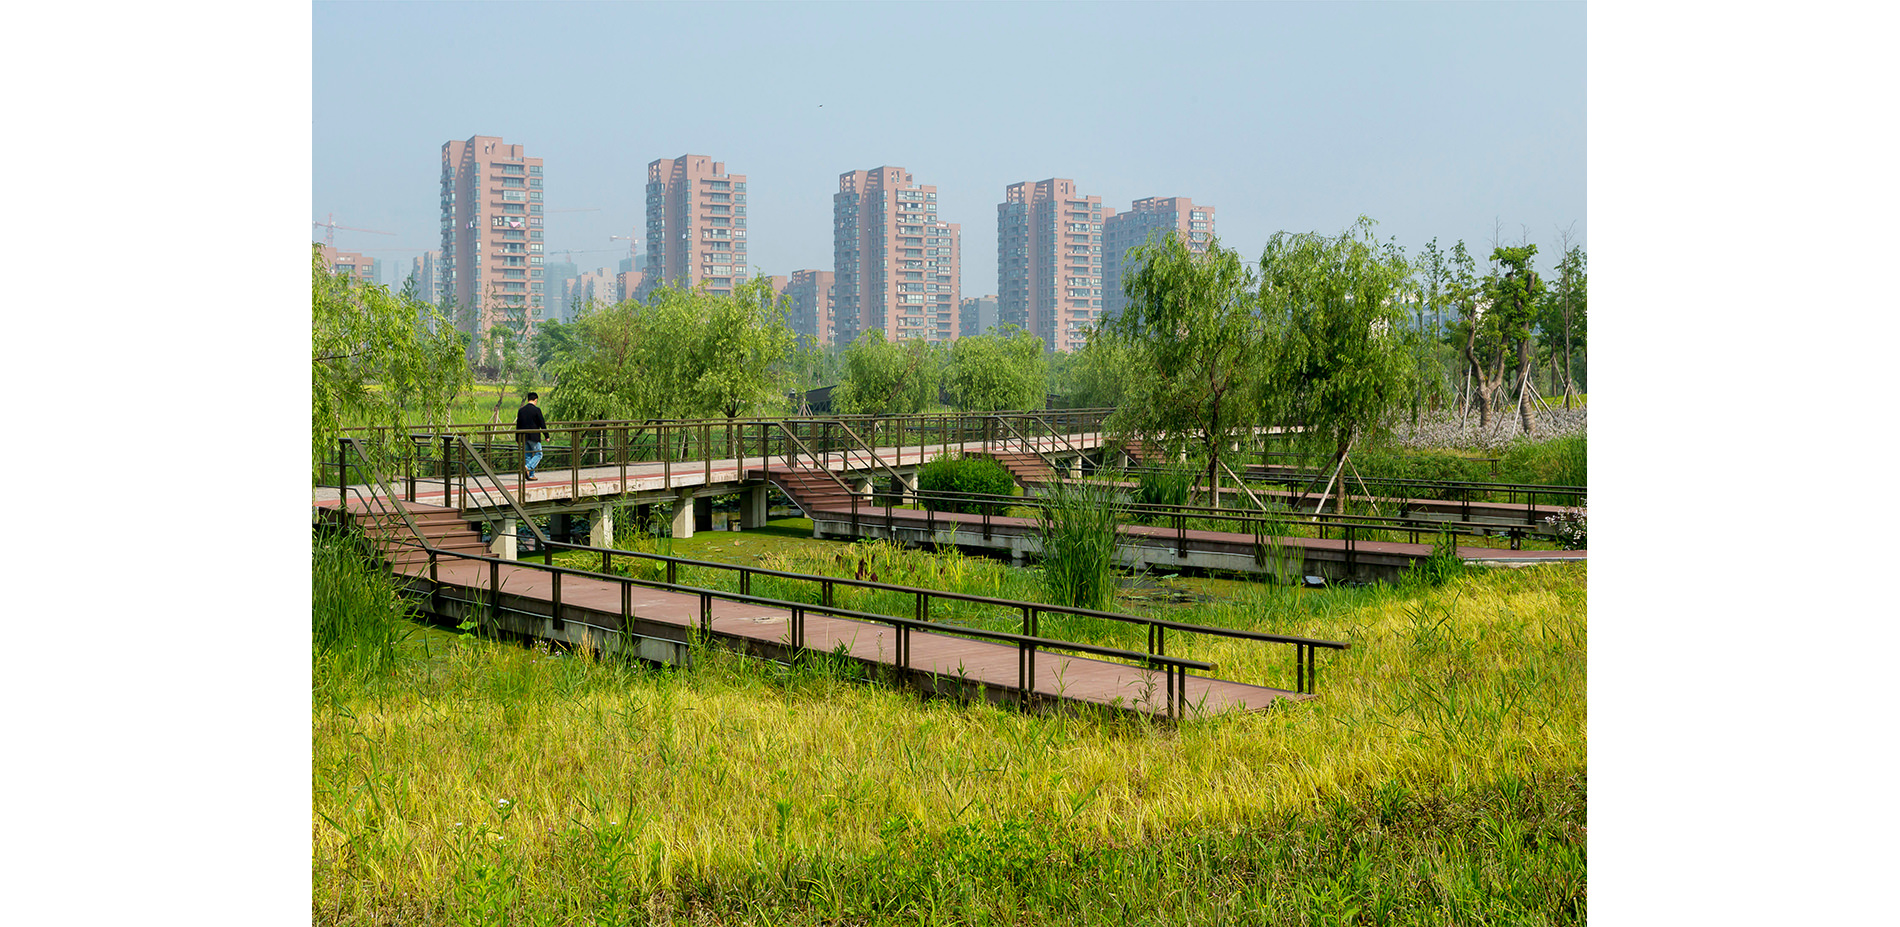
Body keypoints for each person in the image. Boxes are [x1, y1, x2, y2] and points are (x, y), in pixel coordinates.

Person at [515, 392, 547, 480]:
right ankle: (528, 467)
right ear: (535, 400)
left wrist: (517, 437)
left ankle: (530, 475)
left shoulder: (521, 410)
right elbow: (542, 423)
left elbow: (518, 425)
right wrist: (546, 436)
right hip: (534, 437)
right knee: (539, 454)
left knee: (528, 455)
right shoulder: (537, 410)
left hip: (524, 437)